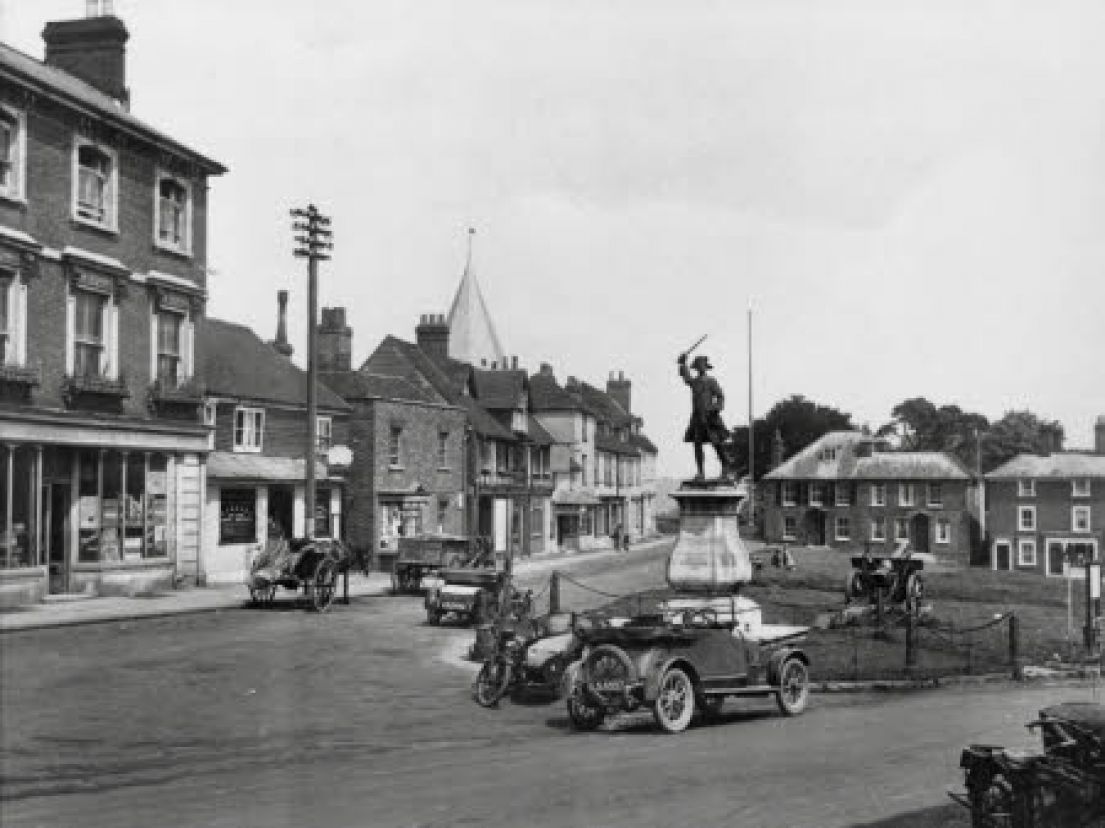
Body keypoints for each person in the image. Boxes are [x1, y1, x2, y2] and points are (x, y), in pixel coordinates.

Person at [678, 351, 731, 481]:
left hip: (710, 418)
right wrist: (683, 363)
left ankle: (725, 466)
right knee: (697, 445)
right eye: (698, 365)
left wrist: (715, 408)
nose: (700, 367)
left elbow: (721, 397)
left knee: (717, 443)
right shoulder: (694, 382)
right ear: (696, 368)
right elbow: (686, 377)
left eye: (702, 365)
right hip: (697, 418)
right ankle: (700, 472)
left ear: (705, 367)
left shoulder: (711, 381)